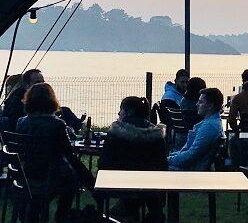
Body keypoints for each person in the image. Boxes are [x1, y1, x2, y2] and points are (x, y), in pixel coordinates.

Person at [16, 83, 94, 222]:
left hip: (28, 175)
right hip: (50, 177)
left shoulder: (21, 122)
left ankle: (36, 211)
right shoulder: (56, 124)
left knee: (69, 179)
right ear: (52, 100)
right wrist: (90, 181)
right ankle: (61, 216)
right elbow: (69, 155)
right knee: (72, 181)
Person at [99, 96, 167, 222]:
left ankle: (127, 210)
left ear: (129, 111)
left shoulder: (115, 133)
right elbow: (163, 164)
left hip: (120, 185)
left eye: (121, 109)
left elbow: (103, 163)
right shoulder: (157, 135)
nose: (119, 113)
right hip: (152, 187)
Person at [168, 88, 224, 171]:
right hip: (192, 167)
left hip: (191, 171)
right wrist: (170, 158)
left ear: (210, 105)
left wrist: (168, 160)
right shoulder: (212, 123)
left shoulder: (209, 127)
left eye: (201, 102)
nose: (197, 104)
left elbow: (191, 156)